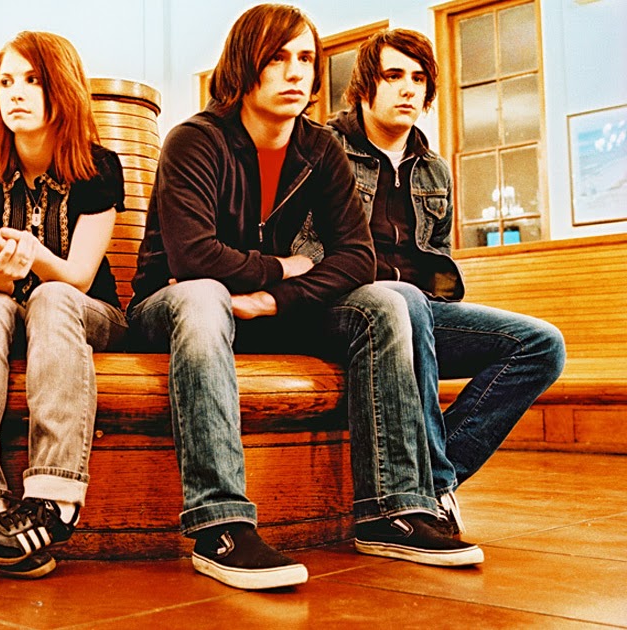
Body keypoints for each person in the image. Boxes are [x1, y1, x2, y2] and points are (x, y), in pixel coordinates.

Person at [128, 3, 481, 590]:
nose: (295, 72)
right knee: (203, 294)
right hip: (171, 307)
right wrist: (280, 268)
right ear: (244, 65)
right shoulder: (194, 140)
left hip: (265, 309)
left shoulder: (319, 149)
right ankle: (221, 526)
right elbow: (193, 258)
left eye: (306, 59)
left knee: (387, 303)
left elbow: (356, 257)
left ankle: (392, 510)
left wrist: (273, 299)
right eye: (277, 58)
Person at [315, 28, 565, 557]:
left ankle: (429, 484)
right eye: (393, 76)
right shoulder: (324, 149)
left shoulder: (433, 170)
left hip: (419, 312)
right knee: (401, 301)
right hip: (342, 309)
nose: (408, 88)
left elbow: (438, 260)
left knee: (542, 344)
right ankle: (419, 498)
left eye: (418, 78)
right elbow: (307, 249)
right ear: (364, 86)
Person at [0, 31, 127, 580]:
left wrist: (35, 253)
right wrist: (1, 264)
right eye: (5, 82)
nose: (15, 94)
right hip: (8, 312)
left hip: (86, 313)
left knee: (51, 294)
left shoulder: (98, 167)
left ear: (61, 89)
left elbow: (80, 276)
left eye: (32, 81)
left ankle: (54, 499)